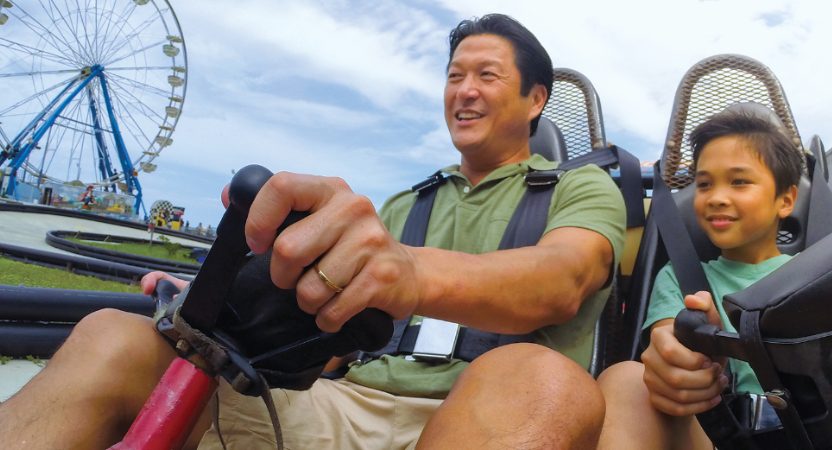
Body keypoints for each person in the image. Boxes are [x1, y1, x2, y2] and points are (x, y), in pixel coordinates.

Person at [0, 14, 625, 450]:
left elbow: (561, 280)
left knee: (542, 377)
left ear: (536, 99)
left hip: (491, 414)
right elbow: (330, 343)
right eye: (454, 75)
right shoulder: (408, 202)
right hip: (345, 407)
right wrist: (227, 300)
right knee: (115, 336)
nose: (463, 91)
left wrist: (408, 272)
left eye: (486, 76)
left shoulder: (581, 188)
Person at [594, 108, 832, 449]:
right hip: (727, 436)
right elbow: (666, 337)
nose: (716, 198)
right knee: (626, 380)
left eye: (739, 182)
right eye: (703, 185)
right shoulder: (681, 279)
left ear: (786, 199)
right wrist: (685, 358)